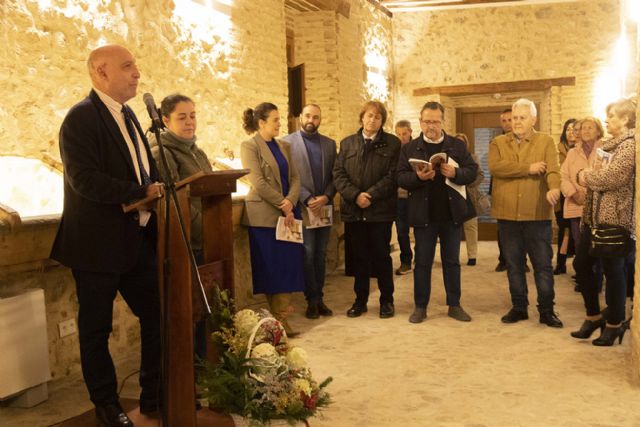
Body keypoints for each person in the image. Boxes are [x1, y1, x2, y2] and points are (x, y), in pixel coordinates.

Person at [50, 45, 162, 427]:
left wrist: (153, 189)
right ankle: (106, 404)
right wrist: (139, 193)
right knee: (96, 328)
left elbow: (137, 170)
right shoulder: (81, 119)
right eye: (128, 66)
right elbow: (85, 181)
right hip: (96, 245)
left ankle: (154, 394)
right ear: (101, 72)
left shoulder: (128, 114)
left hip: (136, 240)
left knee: (158, 313)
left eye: (135, 65)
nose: (137, 73)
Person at [397, 102, 477, 323]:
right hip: (423, 214)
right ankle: (420, 307)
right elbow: (400, 177)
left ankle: (454, 305)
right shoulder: (409, 148)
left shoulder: (457, 146)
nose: (431, 125)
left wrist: (456, 172)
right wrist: (417, 178)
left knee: (452, 261)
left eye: (435, 121)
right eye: (427, 121)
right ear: (420, 122)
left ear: (443, 121)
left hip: (451, 213)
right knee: (422, 262)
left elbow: (472, 172)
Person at [149, 93, 213, 361]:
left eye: (193, 115)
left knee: (206, 311)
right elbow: (176, 201)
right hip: (187, 244)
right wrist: (207, 230)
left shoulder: (197, 151)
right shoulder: (161, 152)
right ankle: (191, 368)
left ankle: (207, 363)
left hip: (207, 240)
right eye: (182, 117)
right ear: (165, 120)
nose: (190, 122)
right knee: (189, 312)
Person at [488, 98, 563, 328]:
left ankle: (547, 310)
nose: (517, 122)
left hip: (537, 214)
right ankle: (519, 307)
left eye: (522, 118)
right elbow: (496, 167)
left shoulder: (546, 141)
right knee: (514, 264)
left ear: (533, 119)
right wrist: (528, 168)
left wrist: (554, 187)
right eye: (514, 118)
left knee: (542, 265)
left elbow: (552, 170)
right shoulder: (498, 142)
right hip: (507, 215)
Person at [572, 98, 636, 346]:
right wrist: (590, 175)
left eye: (611, 116)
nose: (607, 120)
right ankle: (594, 316)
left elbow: (613, 177)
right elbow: (599, 175)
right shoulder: (609, 145)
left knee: (613, 272)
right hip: (593, 218)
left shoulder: (629, 145)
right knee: (582, 265)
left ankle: (614, 324)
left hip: (614, 219)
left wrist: (584, 175)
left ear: (626, 120)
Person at [240, 102, 304, 336]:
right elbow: (257, 181)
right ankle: (278, 321)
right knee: (272, 269)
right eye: (275, 120)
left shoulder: (284, 146)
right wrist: (283, 202)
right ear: (261, 122)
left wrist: (290, 202)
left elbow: (296, 177)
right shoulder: (249, 146)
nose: (280, 123)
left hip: (288, 213)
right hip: (265, 217)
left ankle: (282, 318)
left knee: (289, 266)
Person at [333, 101, 400, 319]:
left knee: (381, 257)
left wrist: (369, 195)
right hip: (354, 211)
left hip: (379, 210)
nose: (373, 120)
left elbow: (392, 176)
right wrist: (355, 195)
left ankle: (386, 301)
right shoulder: (347, 144)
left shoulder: (392, 144)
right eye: (369, 116)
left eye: (377, 117)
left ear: (382, 121)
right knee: (359, 258)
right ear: (362, 117)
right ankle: (360, 301)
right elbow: (338, 174)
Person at [282, 104, 337, 320]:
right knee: (307, 254)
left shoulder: (330, 144)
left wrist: (326, 196)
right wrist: (307, 197)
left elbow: (336, 175)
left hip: (324, 207)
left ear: (320, 119)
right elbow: (287, 176)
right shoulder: (286, 143)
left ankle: (320, 297)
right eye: (307, 116)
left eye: (315, 117)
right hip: (303, 207)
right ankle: (311, 300)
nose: (311, 120)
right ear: (300, 117)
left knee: (321, 255)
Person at [456, 133, 485, 266]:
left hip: (470, 195)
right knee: (453, 228)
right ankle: (453, 255)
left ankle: (472, 256)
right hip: (454, 195)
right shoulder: (447, 158)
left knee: (471, 226)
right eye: (457, 142)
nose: (460, 144)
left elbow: (480, 175)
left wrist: (469, 184)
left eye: (462, 142)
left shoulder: (472, 157)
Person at [553, 119, 577, 275]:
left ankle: (579, 268)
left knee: (577, 231)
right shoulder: (557, 149)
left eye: (574, 129)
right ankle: (560, 264)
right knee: (564, 229)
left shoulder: (582, 150)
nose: (571, 132)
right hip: (561, 196)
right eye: (568, 129)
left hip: (577, 195)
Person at [394, 120, 414, 275]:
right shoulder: (394, 150)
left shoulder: (417, 148)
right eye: (398, 134)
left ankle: (420, 258)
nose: (402, 137)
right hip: (399, 196)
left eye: (404, 134)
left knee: (421, 230)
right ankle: (406, 261)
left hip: (416, 195)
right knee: (402, 231)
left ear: (410, 132)